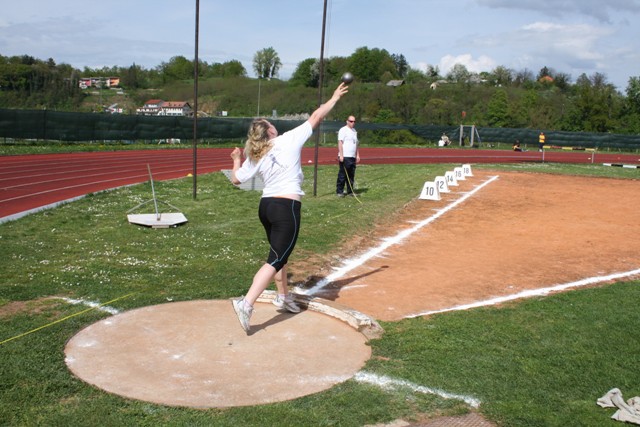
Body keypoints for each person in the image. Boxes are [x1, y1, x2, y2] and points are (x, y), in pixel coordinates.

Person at [229, 83, 349, 333]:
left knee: (279, 255)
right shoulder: (287, 139)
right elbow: (317, 116)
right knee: (277, 258)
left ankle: (283, 298)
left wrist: (237, 159)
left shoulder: (257, 153)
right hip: (286, 207)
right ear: (270, 130)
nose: (273, 123)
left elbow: (236, 179)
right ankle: (246, 303)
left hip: (266, 207)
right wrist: (335, 97)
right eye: (269, 122)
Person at [335, 115, 360, 197]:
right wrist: (341, 155)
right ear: (347, 121)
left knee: (351, 175)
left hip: (352, 156)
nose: (353, 123)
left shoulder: (354, 131)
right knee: (342, 175)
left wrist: (357, 155)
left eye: (354, 121)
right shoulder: (343, 130)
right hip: (345, 156)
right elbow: (340, 143)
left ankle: (350, 191)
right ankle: (339, 191)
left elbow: (356, 143)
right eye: (351, 121)